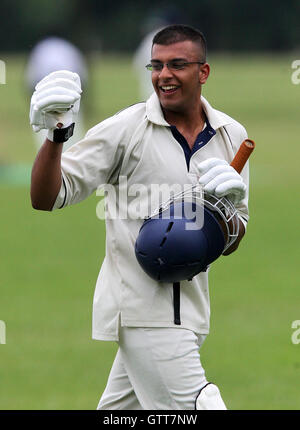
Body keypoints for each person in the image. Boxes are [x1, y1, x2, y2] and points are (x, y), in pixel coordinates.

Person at [30, 25, 250, 410]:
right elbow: (47, 196)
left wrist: (228, 213)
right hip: (140, 312)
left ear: (203, 72)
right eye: (156, 65)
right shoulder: (124, 130)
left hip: (193, 315)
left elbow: (235, 237)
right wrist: (56, 136)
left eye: (177, 65)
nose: (163, 75)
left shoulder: (232, 135)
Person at [25, 36, 89, 151]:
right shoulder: (70, 48)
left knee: (45, 140)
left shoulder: (41, 49)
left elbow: (30, 81)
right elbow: (83, 78)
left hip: (45, 99)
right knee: (74, 144)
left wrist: (31, 103)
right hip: (69, 97)